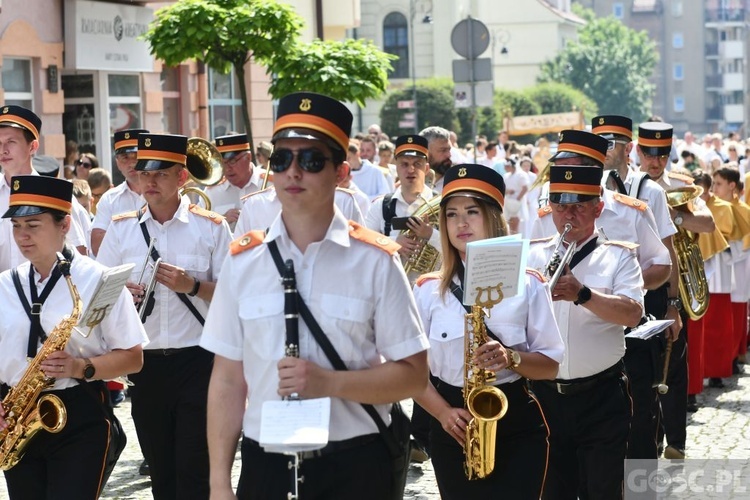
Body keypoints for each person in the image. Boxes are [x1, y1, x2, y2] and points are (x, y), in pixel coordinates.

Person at [201, 92, 429, 500]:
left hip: (355, 464)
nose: (293, 173)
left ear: (341, 172)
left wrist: (329, 382)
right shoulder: (243, 261)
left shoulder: (375, 261)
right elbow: (227, 378)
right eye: (282, 160)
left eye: (311, 161)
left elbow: (412, 374)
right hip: (266, 462)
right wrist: (219, 481)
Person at [412, 163, 563, 499]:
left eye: (471, 211)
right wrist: (442, 413)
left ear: (493, 217)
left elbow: (551, 364)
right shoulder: (426, 290)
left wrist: (511, 357)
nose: (460, 223)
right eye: (450, 214)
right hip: (454, 423)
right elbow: (409, 371)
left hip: (517, 421)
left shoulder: (529, 284)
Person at [96, 133, 233, 500]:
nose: (149, 182)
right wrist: (121, 294)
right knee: (161, 470)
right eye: (143, 173)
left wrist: (193, 286)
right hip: (146, 364)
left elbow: (236, 298)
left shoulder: (212, 227)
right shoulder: (122, 228)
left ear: (182, 178)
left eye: (160, 173)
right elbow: (96, 298)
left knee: (194, 466)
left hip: (198, 360)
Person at [0, 175, 145, 499]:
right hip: (17, 417)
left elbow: (133, 357)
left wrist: (80, 366)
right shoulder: (4, 285)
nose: (22, 237)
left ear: (64, 225)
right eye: (17, 226)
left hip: (80, 414)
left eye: (33, 225)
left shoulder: (99, 279)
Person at [527, 132, 643, 499]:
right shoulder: (529, 257)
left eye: (580, 204)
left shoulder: (619, 256)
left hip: (601, 396)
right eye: (560, 204)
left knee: (602, 491)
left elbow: (633, 314)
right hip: (543, 399)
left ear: (597, 208)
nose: (569, 213)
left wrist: (584, 295)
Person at [0, 105, 89, 269]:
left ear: (33, 146)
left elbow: (79, 255)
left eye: (11, 142)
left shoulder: (55, 194)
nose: (3, 150)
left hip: (49, 292)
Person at [365, 135, 441, 273]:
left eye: (417, 164)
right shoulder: (379, 206)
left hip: (432, 290)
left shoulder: (442, 205)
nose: (411, 169)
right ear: (396, 168)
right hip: (391, 288)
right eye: (404, 164)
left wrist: (431, 234)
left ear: (426, 168)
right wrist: (393, 243)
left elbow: (458, 249)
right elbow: (364, 248)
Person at [90, 128, 149, 256]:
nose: (132, 163)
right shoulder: (109, 199)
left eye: (136, 156)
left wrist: (117, 236)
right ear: (117, 163)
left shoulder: (162, 193)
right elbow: (97, 246)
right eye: (125, 157)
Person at [204, 133, 265, 231]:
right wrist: (221, 221)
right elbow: (199, 231)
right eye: (222, 163)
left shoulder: (272, 184)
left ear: (248, 157)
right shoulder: (211, 192)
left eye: (232, 161)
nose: (227, 169)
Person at [420, 126, 453, 192]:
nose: (449, 155)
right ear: (425, 153)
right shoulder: (410, 182)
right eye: (443, 150)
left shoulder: (456, 182)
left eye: (449, 149)